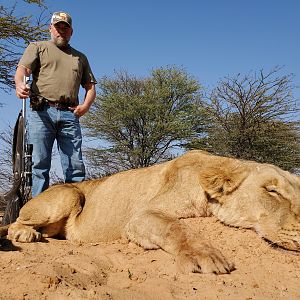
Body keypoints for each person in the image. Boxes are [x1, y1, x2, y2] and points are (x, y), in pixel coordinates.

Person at [14, 11, 97, 197]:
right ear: (50, 28)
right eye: (58, 27)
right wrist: (19, 85)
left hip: (70, 114)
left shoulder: (80, 57)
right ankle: (38, 211)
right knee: (39, 164)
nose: (61, 31)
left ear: (71, 31)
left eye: (65, 28)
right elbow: (23, 70)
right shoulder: (37, 46)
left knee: (75, 165)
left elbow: (90, 88)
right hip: (41, 112)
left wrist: (85, 107)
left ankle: (76, 211)